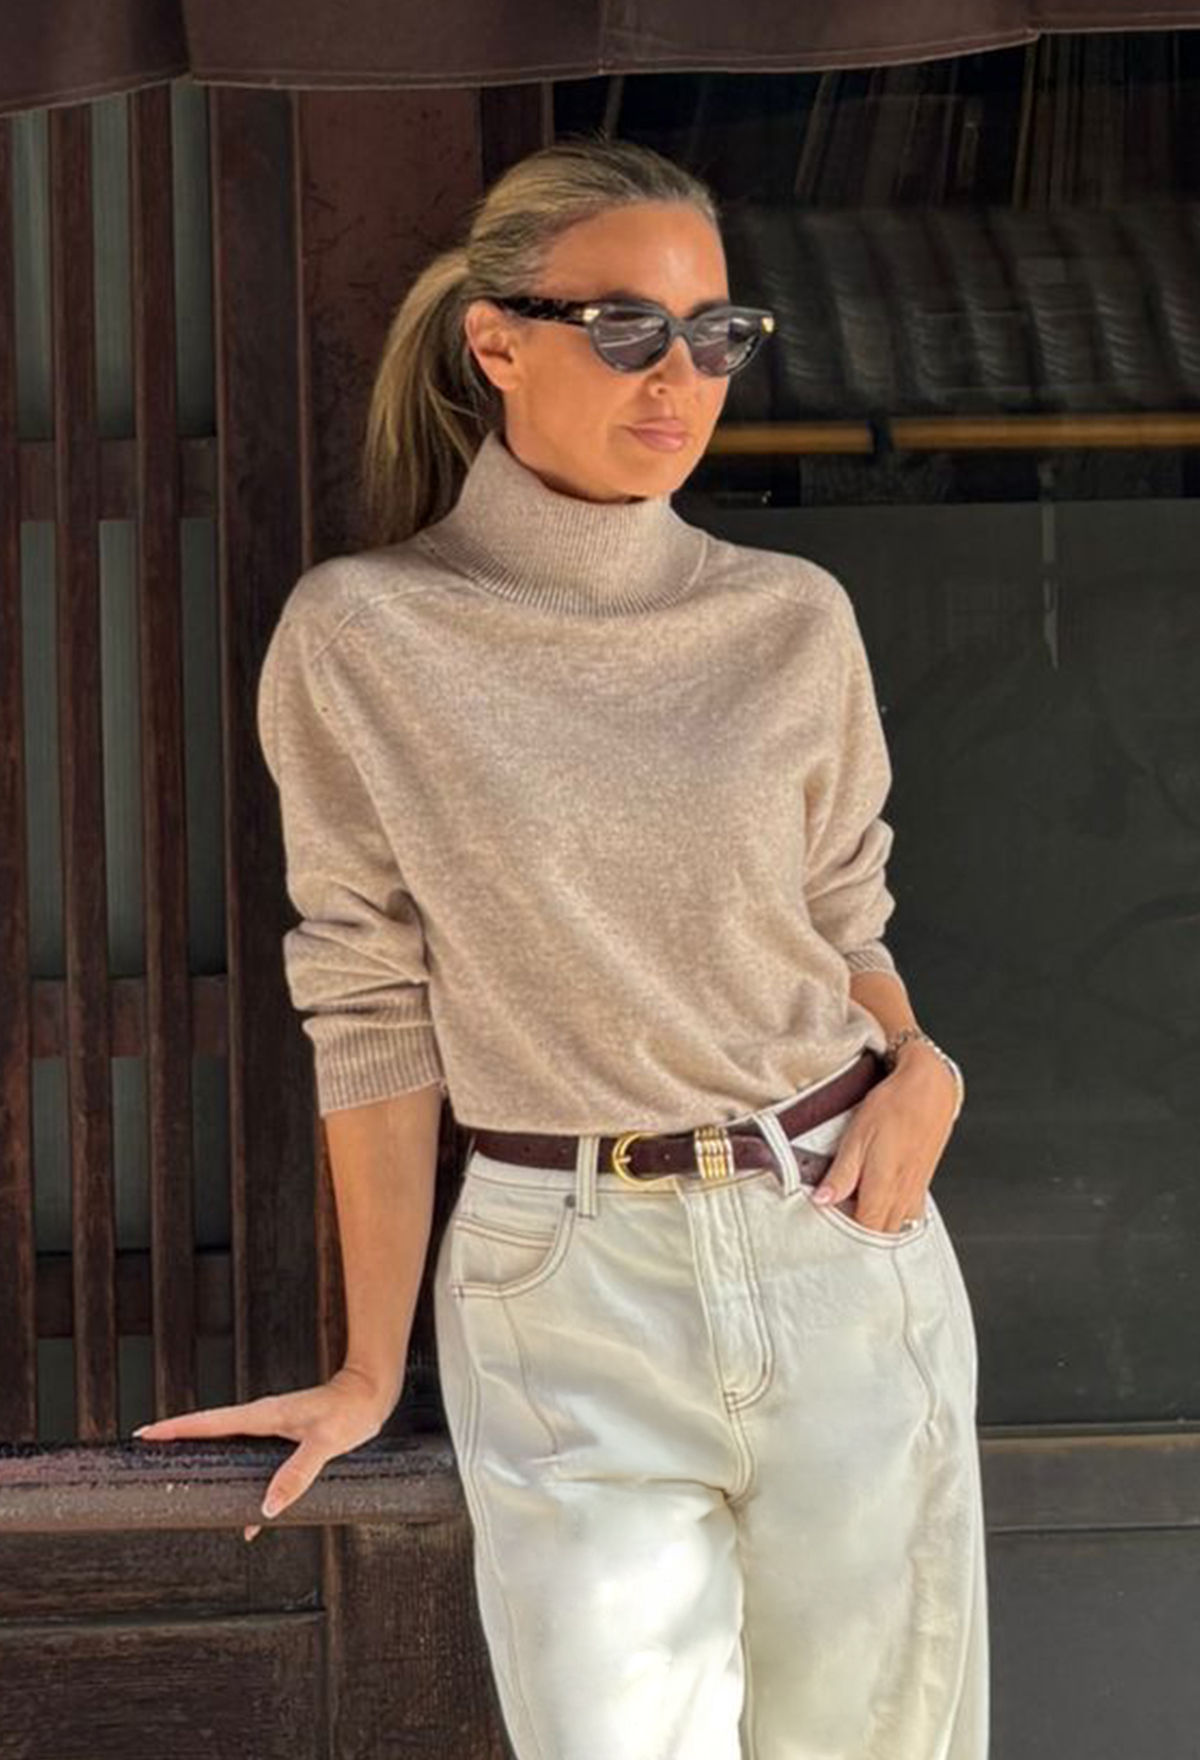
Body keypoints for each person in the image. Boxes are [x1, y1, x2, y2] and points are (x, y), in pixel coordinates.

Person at [133, 133, 988, 1759]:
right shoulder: (366, 633)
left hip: (839, 1236)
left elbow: (841, 916)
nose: (680, 379)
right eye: (626, 328)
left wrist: (921, 1061)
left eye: (715, 335)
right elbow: (369, 1002)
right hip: (563, 1276)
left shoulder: (791, 616)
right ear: (497, 340)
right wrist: (369, 1366)